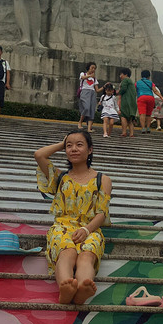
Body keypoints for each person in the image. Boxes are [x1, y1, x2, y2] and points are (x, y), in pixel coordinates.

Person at [35, 130, 112, 304]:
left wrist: (86, 230)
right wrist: (62, 144)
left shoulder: (103, 180)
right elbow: (39, 155)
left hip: (90, 227)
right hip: (62, 226)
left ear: (90, 150)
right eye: (69, 146)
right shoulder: (60, 177)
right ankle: (66, 287)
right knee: (67, 252)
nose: (73, 149)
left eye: (79, 145)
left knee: (88, 254)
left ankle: (83, 289)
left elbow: (101, 213)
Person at [136, 69, 163, 133]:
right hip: (150, 98)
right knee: (149, 114)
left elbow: (134, 90)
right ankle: (148, 128)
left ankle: (143, 128)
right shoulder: (151, 83)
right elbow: (155, 91)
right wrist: (161, 97)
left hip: (141, 98)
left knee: (142, 114)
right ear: (149, 76)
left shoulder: (137, 83)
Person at [77, 62, 103, 132]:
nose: (93, 69)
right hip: (85, 92)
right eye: (92, 68)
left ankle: (89, 128)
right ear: (88, 68)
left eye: (94, 68)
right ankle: (80, 122)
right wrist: (90, 76)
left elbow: (97, 90)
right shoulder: (83, 74)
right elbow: (82, 78)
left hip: (92, 93)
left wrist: (104, 87)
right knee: (86, 107)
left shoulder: (94, 79)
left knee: (91, 110)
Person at [118, 67, 137, 137]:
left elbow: (123, 89)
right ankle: (131, 134)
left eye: (121, 74)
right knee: (130, 120)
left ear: (126, 74)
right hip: (132, 103)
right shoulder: (131, 82)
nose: (120, 76)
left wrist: (117, 92)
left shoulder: (125, 80)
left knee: (123, 117)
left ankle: (124, 132)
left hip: (126, 102)